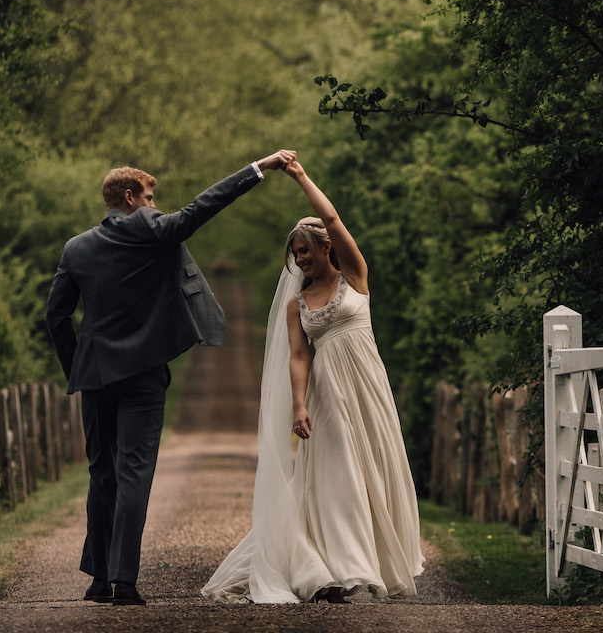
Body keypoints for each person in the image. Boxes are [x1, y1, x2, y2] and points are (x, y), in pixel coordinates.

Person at [46, 151, 297, 606]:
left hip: (96, 374)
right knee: (133, 473)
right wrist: (258, 169)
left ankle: (99, 579)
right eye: (150, 195)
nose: (156, 204)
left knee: (101, 474)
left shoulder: (75, 247)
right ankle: (124, 582)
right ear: (129, 198)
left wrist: (77, 366)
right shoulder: (148, 230)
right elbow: (202, 207)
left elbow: (56, 316)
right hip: (142, 374)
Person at [202, 160, 424, 604]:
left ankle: (368, 562)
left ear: (326, 248)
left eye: (305, 250)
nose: (300, 259)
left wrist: (301, 177)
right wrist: (299, 404)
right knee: (334, 476)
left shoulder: (355, 278)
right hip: (327, 395)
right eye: (295, 254)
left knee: (372, 471)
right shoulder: (297, 304)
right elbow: (300, 356)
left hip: (368, 387)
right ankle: (342, 570)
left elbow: (333, 218)